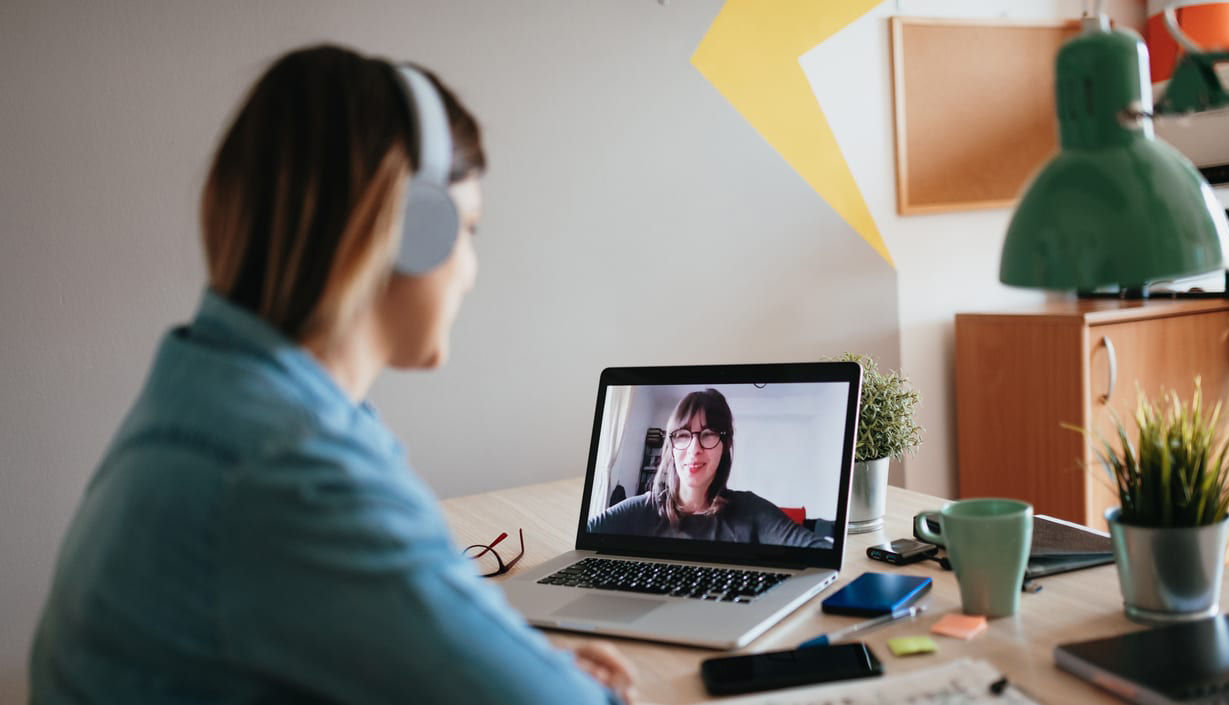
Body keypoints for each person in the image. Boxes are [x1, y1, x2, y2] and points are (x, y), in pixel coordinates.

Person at [29, 45, 635, 704]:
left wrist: (511, 656)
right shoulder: (292, 469)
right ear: (410, 230)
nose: (469, 270)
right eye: (469, 229)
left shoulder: (216, 387)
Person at [587, 389, 828, 548]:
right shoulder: (640, 510)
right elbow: (582, 542)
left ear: (725, 445)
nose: (694, 449)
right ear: (671, 445)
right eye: (683, 435)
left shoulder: (751, 511)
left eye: (708, 434)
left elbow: (819, 551)